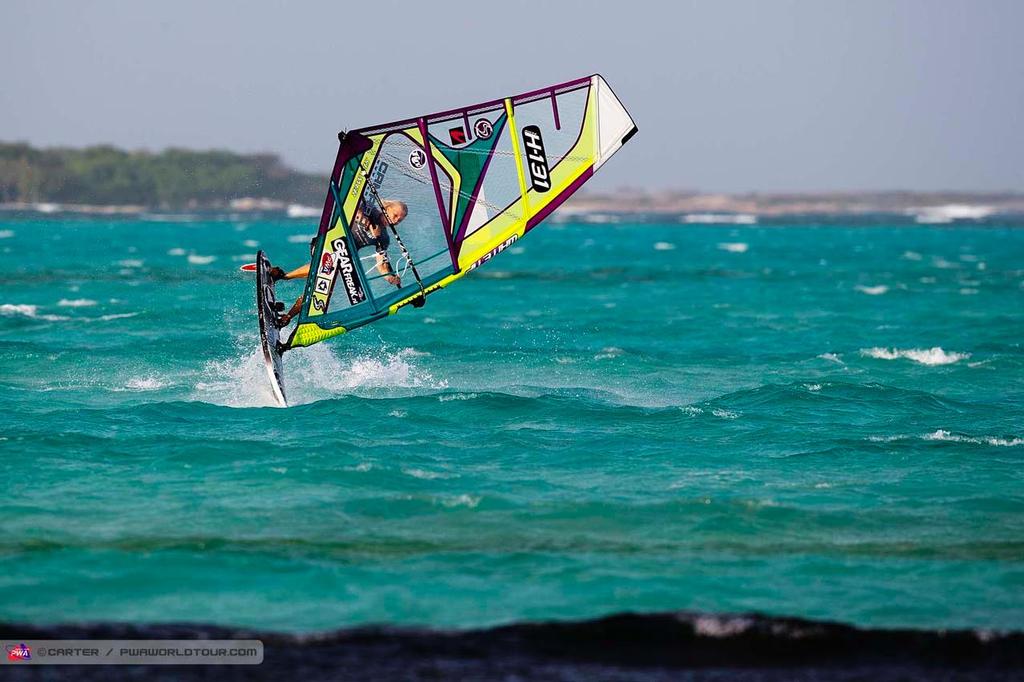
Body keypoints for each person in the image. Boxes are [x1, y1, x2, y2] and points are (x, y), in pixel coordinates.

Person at [270, 199, 408, 326]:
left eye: (400, 221)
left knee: (321, 291)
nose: (395, 221)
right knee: (329, 267)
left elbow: (382, 264)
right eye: (395, 215)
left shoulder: (382, 238)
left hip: (341, 260)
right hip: (325, 243)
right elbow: (348, 202)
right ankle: (284, 276)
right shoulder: (368, 208)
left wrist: (390, 278)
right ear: (387, 208)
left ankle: (287, 316)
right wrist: (361, 216)